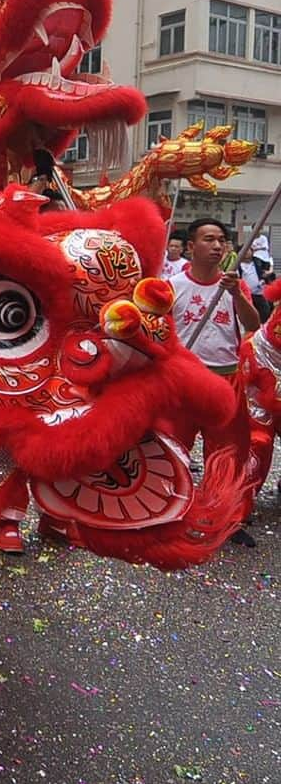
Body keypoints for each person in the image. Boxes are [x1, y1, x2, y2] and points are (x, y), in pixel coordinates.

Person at [167, 218, 259, 545]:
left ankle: (224, 518)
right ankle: (170, 512)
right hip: (186, 380)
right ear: (191, 247)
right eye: (209, 239)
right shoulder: (173, 286)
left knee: (228, 452)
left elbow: (252, 323)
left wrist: (236, 295)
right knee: (173, 447)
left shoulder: (234, 285)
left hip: (225, 379)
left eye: (222, 240)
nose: (218, 246)